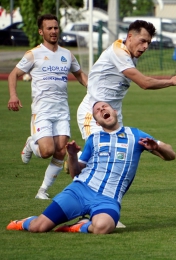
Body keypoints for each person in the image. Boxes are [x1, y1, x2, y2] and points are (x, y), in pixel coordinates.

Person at [6, 101, 176, 234]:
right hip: (80, 191)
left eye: (105, 107)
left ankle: (81, 226)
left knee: (103, 228)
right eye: (98, 111)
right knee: (38, 227)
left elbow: (171, 155)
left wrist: (157, 148)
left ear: (115, 111)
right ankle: (25, 222)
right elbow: (75, 173)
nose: (102, 110)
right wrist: (72, 155)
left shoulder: (136, 135)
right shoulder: (93, 139)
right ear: (97, 121)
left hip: (108, 198)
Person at [7, 14, 88, 199]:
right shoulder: (33, 54)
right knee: (46, 151)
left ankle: (42, 190)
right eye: (49, 28)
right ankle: (30, 143)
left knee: (61, 151)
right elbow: (13, 74)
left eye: (56, 28)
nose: (53, 31)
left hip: (62, 110)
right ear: (41, 31)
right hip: (42, 110)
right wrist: (13, 95)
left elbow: (80, 74)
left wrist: (94, 90)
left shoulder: (66, 54)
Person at [76, 20, 176, 141]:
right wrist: (171, 81)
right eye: (142, 41)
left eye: (148, 42)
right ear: (130, 37)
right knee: (100, 152)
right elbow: (144, 83)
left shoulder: (131, 54)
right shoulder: (118, 52)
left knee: (117, 155)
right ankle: (75, 158)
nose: (146, 46)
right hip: (94, 112)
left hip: (114, 113)